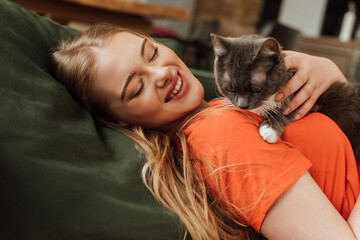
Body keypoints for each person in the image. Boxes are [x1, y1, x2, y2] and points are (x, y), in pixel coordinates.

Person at [51, 24, 360, 240]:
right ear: (121, 122)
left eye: (152, 53)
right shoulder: (219, 135)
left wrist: (329, 73)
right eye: (136, 87)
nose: (161, 74)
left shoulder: (222, 107)